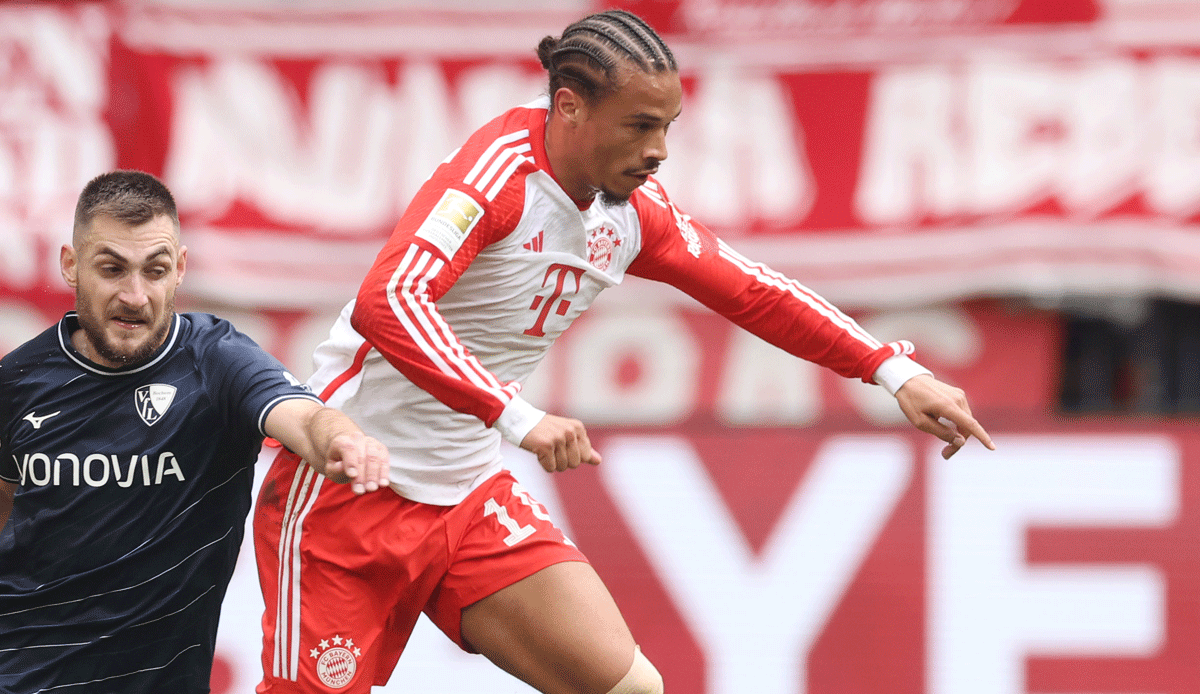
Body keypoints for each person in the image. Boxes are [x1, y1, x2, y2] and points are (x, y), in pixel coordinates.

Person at [254, 9, 996, 694]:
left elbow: (755, 290)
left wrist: (894, 369)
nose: (658, 152)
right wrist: (515, 415)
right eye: (640, 126)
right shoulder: (495, 181)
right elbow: (391, 301)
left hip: (467, 496)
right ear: (570, 106)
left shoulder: (632, 212)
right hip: (346, 489)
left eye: (669, 127)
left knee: (631, 689)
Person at [0, 170, 391, 694]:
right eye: (112, 269)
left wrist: (340, 440)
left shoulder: (217, 363)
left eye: (155, 270)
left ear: (180, 269)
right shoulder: (18, 381)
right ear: (71, 265)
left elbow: (302, 414)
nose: (135, 296)